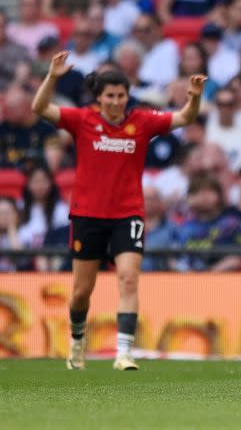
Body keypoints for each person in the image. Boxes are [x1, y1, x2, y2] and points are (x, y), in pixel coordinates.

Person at [31, 51, 205, 371]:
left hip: (128, 215)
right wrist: (52, 77)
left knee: (128, 280)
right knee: (82, 291)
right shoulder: (82, 119)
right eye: (109, 96)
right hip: (87, 215)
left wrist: (193, 98)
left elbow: (185, 118)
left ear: (128, 97)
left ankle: (124, 352)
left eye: (121, 96)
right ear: (98, 98)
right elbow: (39, 108)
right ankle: (77, 341)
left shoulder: (142, 121)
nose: (115, 101)